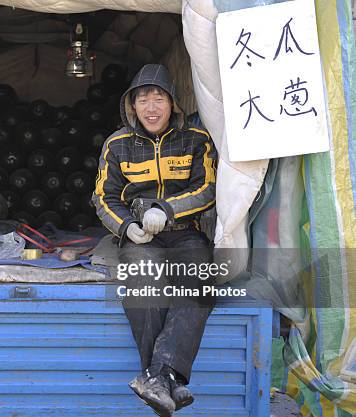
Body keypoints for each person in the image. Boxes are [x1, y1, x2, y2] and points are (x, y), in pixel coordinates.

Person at [92, 64, 218, 416]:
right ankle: (166, 379)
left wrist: (167, 210)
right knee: (146, 284)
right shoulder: (117, 145)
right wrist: (126, 227)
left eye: (158, 98)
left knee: (199, 284)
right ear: (132, 107)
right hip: (140, 237)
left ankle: (155, 377)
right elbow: (103, 197)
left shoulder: (197, 140)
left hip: (184, 234)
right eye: (142, 99)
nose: (151, 107)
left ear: (173, 103)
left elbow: (207, 188)